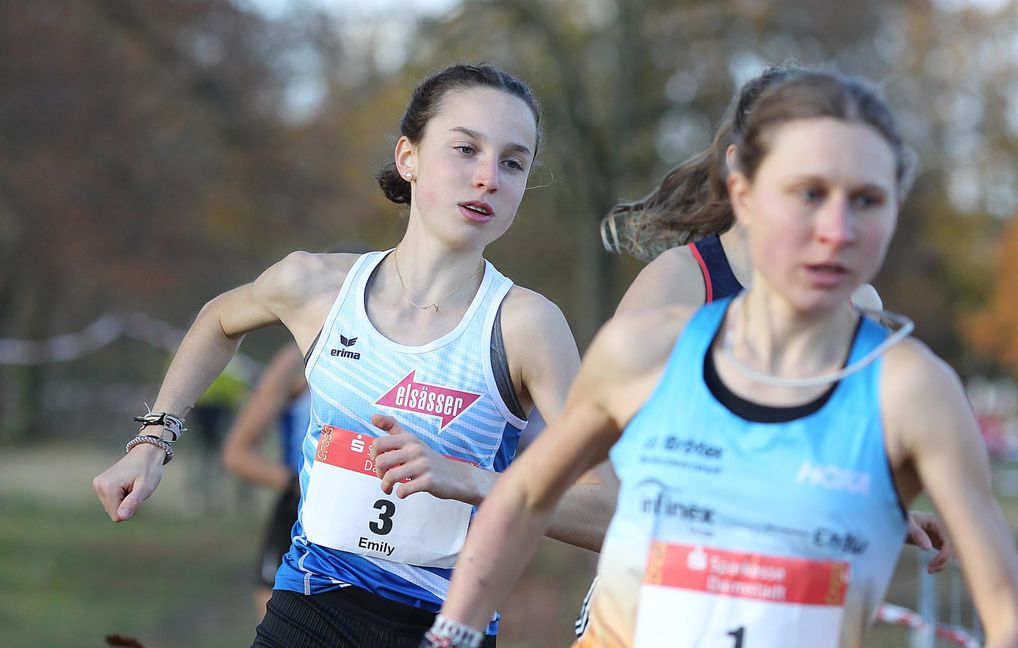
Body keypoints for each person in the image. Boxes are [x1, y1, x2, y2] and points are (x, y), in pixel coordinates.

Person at [425, 70, 1018, 648]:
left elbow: (1004, 613)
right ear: (744, 192)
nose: (837, 229)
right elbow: (531, 496)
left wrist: (854, 508)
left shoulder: (915, 389)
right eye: (809, 193)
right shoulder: (648, 342)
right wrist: (454, 632)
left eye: (868, 200)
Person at [93, 63, 612, 647]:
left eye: (513, 163)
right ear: (408, 157)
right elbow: (218, 319)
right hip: (308, 609)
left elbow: (610, 511)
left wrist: (471, 480)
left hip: (445, 630)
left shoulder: (526, 325)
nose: (488, 177)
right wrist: (153, 440)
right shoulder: (316, 287)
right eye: (466, 149)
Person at [221, 344, 310, 619]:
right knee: (277, 630)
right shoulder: (298, 358)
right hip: (299, 517)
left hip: (377, 524)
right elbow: (237, 453)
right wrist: (297, 483)